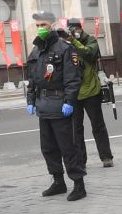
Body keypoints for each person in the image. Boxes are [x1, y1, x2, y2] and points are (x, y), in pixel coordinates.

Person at [24, 10, 86, 200]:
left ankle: (78, 184)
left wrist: (69, 102)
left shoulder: (64, 48)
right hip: (44, 106)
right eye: (37, 26)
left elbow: (72, 79)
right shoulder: (36, 50)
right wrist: (31, 100)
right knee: (48, 148)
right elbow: (32, 79)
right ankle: (58, 181)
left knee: (68, 147)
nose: (40, 29)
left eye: (43, 25)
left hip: (60, 105)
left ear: (52, 24)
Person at [66, 18, 115, 168]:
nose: (75, 33)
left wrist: (74, 42)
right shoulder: (66, 45)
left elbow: (88, 54)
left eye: (76, 29)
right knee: (76, 130)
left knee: (98, 126)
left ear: (80, 29)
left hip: (91, 90)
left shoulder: (91, 40)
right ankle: (81, 161)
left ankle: (106, 157)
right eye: (71, 30)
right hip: (74, 93)